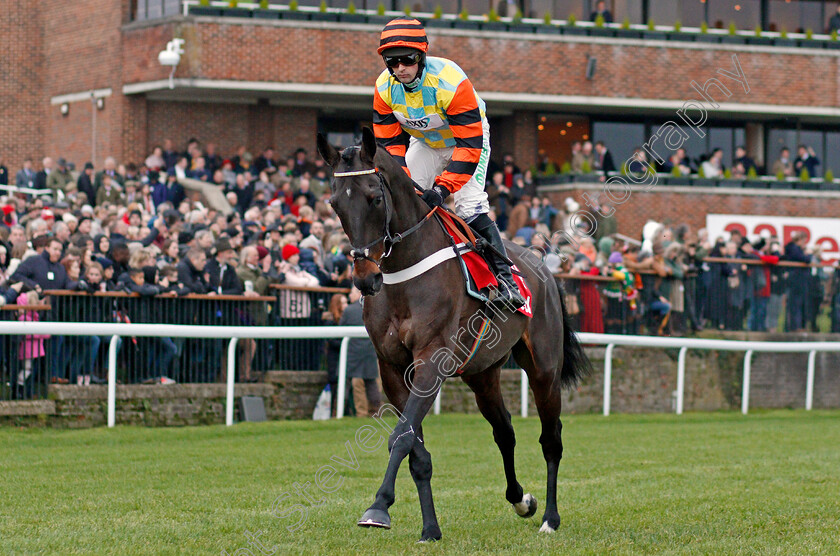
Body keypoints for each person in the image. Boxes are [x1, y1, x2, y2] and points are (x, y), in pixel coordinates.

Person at [372, 18, 525, 308]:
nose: (400, 68)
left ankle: (506, 280)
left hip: (466, 142)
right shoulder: (383, 89)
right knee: (400, 199)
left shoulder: (450, 81)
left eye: (407, 59)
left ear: (421, 56)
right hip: (427, 143)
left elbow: (468, 147)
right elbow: (389, 145)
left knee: (469, 207)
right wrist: (406, 181)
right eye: (392, 62)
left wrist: (442, 190)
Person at [340, 286, 381, 417]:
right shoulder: (374, 308)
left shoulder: (349, 310)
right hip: (369, 351)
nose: (349, 296)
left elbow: (341, 329)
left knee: (357, 384)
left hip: (354, 352)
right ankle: (376, 412)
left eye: (351, 293)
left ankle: (360, 413)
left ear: (359, 293)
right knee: (372, 383)